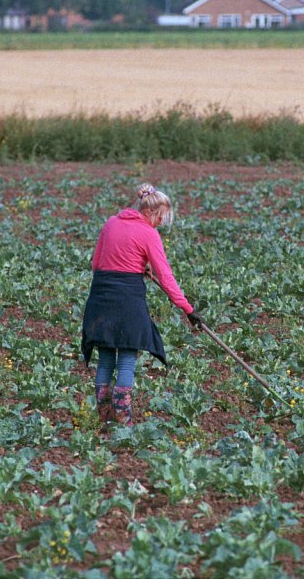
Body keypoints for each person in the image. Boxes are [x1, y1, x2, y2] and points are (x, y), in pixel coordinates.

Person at [80, 183, 202, 427]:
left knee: (105, 359)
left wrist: (133, 265)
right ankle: (122, 421)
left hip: (100, 298)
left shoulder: (111, 223)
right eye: (161, 216)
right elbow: (165, 276)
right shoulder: (148, 234)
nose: (160, 222)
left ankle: (104, 419)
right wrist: (188, 309)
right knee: (127, 358)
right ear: (150, 212)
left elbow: (96, 264)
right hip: (127, 301)